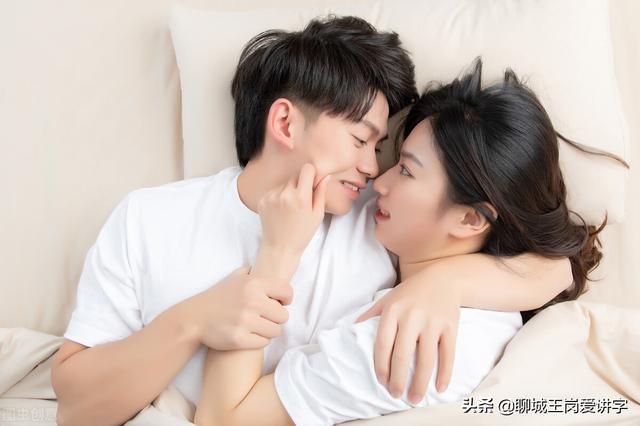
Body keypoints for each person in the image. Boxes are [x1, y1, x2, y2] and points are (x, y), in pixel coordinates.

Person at [51, 17, 571, 426]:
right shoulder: (149, 218)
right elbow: (75, 409)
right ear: (285, 122)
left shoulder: (379, 217)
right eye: (360, 140)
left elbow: (554, 267)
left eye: (382, 150)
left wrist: (445, 283)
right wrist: (193, 321)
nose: (374, 170)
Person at [193, 58, 608, 426]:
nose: (378, 179)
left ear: (470, 218)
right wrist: (446, 281)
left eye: (406, 171)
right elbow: (558, 265)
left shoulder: (404, 345)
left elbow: (223, 418)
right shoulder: (457, 277)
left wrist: (274, 257)